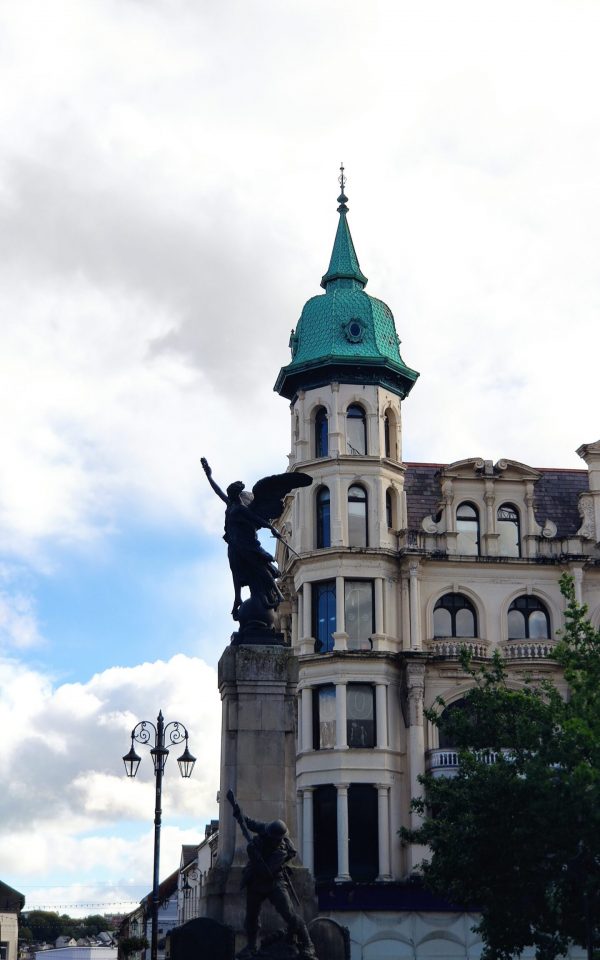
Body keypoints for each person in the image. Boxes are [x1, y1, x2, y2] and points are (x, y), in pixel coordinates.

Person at [234, 813, 316, 960]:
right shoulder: (266, 829)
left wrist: (252, 853)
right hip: (255, 881)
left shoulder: (282, 851)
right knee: (251, 917)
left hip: (273, 880)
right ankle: (251, 946)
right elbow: (250, 823)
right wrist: (239, 815)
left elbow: (265, 871)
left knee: (290, 914)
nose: (277, 841)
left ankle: (307, 944)